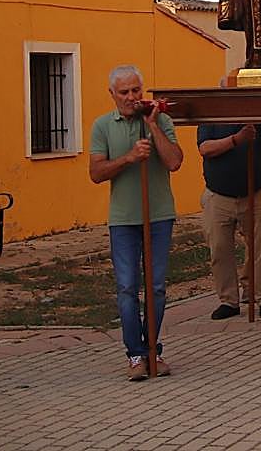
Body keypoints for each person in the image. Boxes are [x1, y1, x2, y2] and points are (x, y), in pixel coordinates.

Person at [89, 65, 184, 380]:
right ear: (112, 95)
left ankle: (153, 350)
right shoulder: (103, 126)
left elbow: (174, 161)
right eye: (125, 92)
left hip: (158, 215)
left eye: (136, 91)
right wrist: (129, 158)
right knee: (127, 287)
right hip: (124, 219)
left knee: (155, 286)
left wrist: (153, 126)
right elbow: (96, 173)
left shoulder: (161, 120)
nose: (132, 98)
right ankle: (135, 354)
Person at [198, 118, 261, 320]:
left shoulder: (256, 114)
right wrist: (237, 139)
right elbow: (205, 148)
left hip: (256, 193)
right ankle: (228, 300)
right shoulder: (211, 115)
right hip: (219, 194)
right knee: (219, 248)